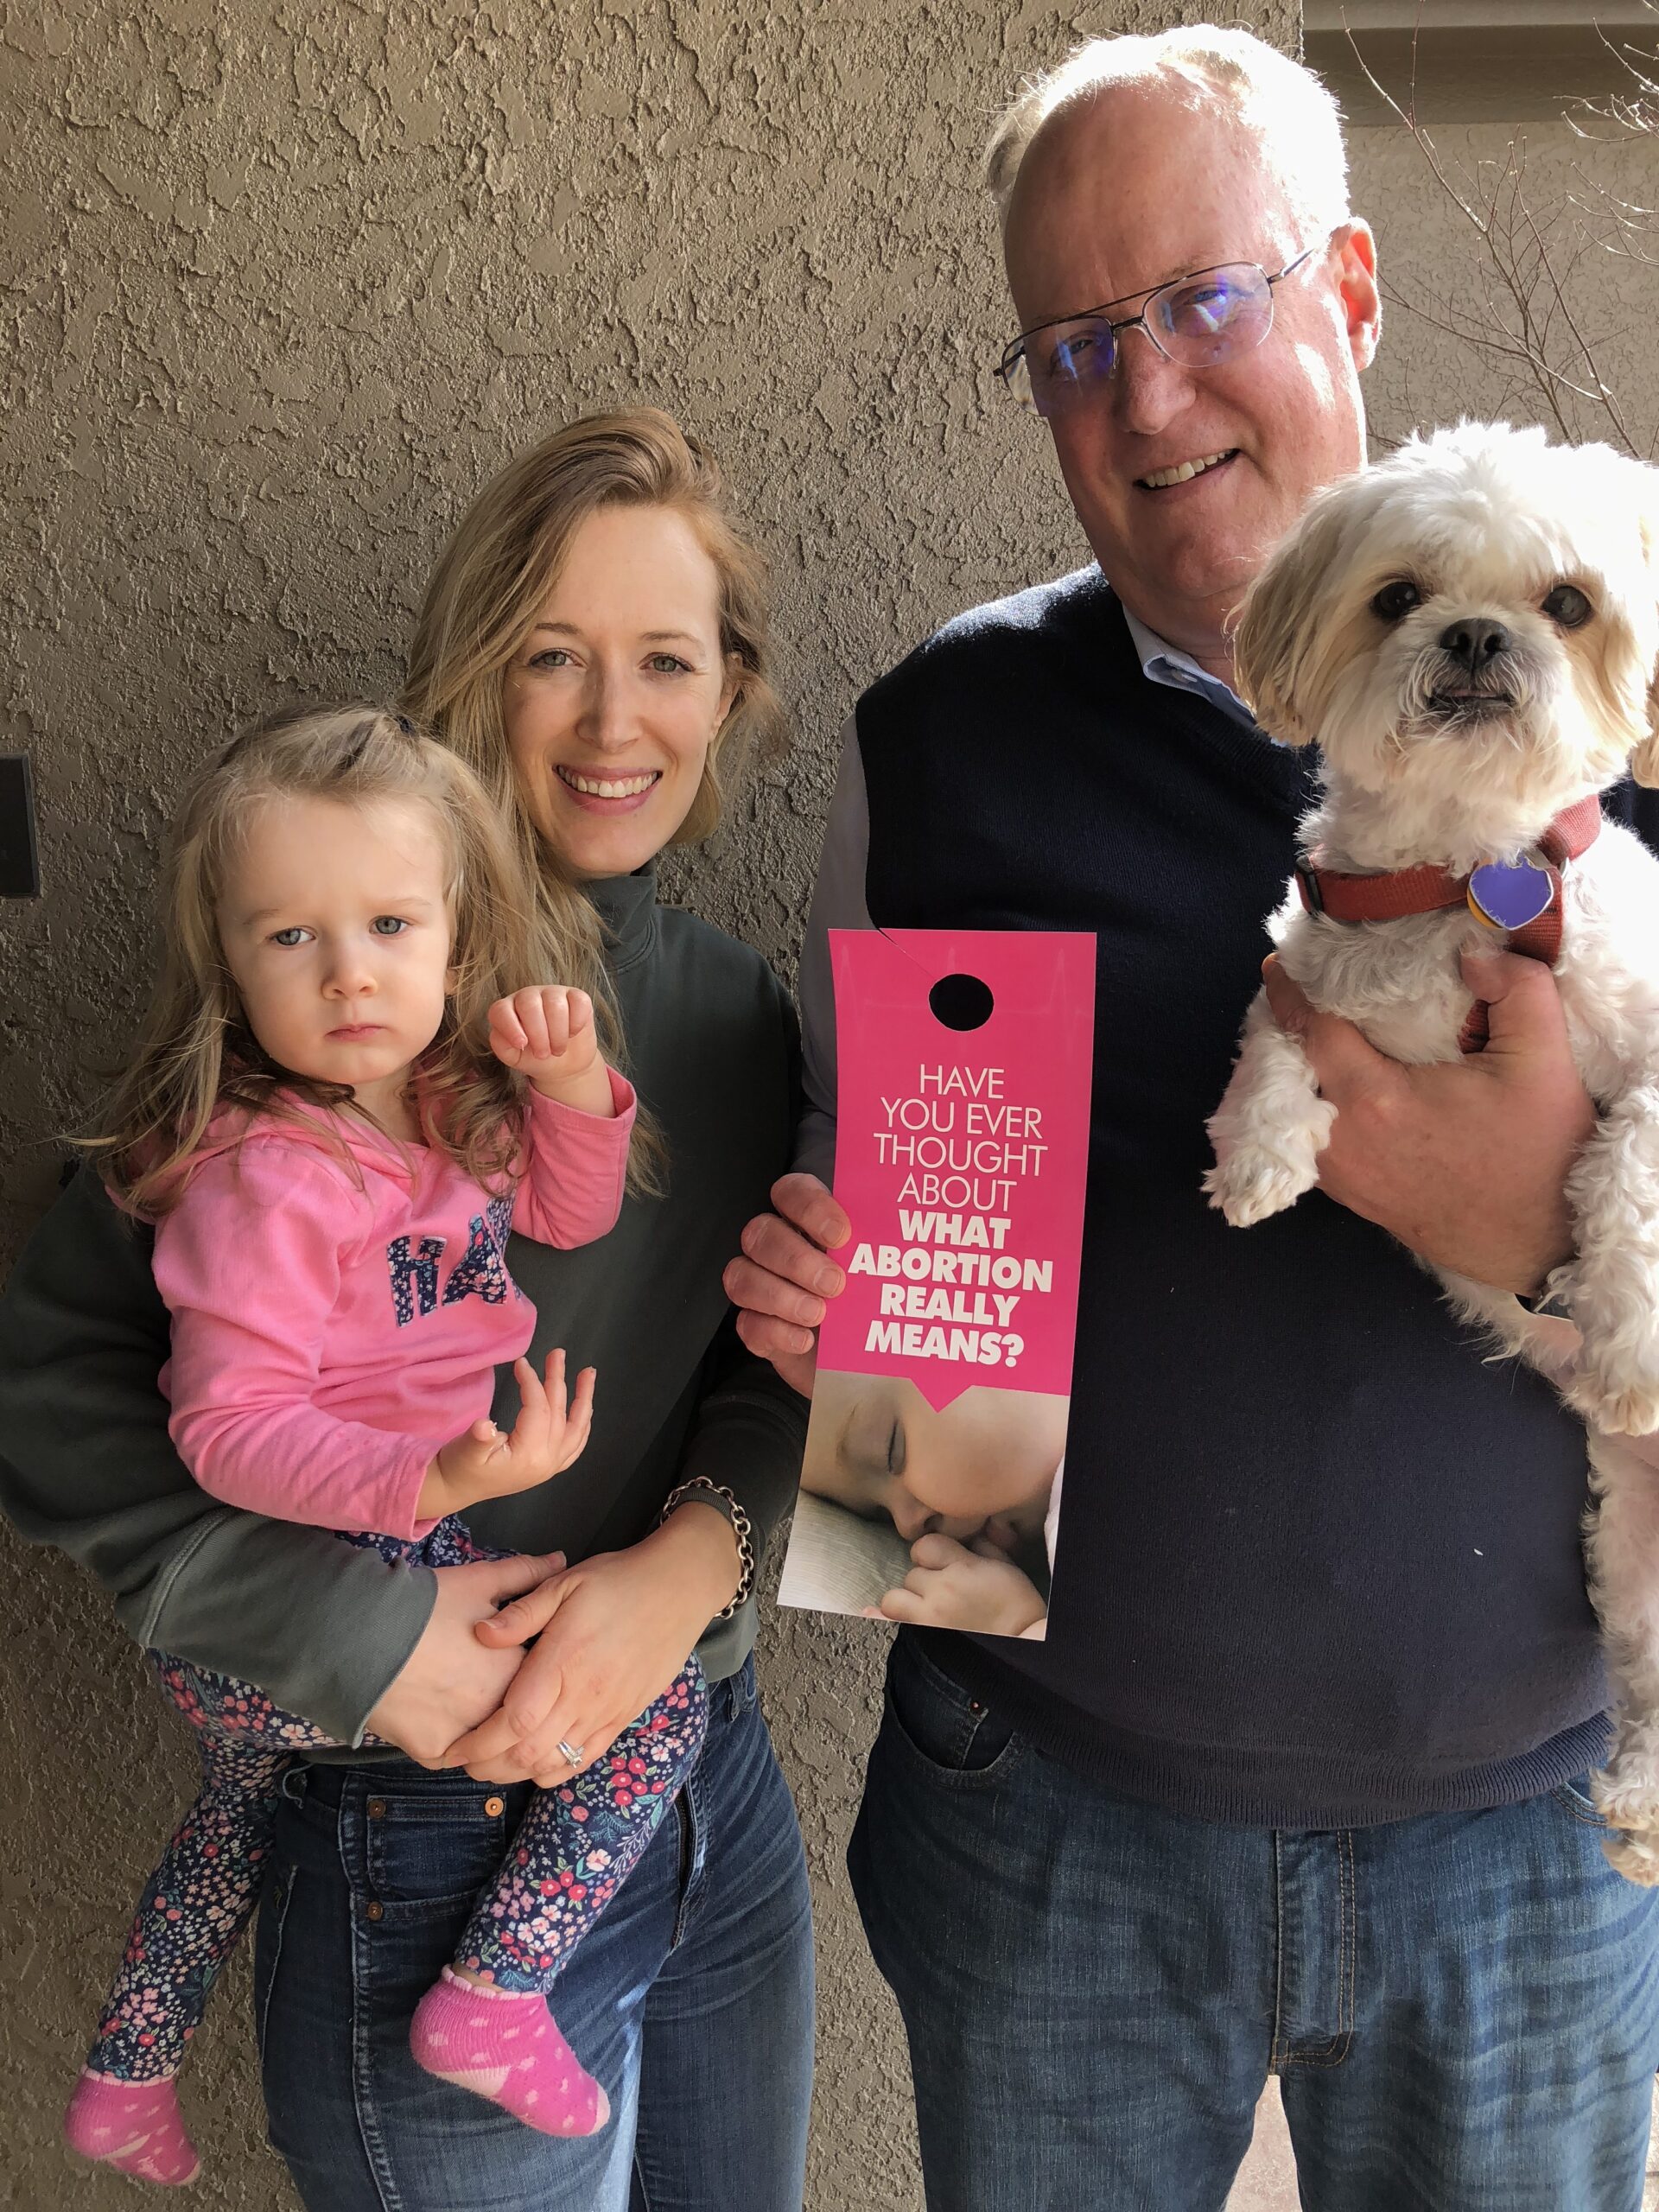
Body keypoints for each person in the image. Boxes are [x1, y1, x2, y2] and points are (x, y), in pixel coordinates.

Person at [726, 28, 1659, 2209]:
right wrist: (842, 1328)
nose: (1145, 398)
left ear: (1350, 288)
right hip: (1048, 1827)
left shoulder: (1613, 695)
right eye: (1074, 344)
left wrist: (1540, 1230)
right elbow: (892, 1248)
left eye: (1203, 300)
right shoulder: (941, 736)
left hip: (1526, 1843)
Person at [0, 411, 814, 2212]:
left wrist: (697, 1561)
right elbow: (52, 1388)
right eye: (551, 655)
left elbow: (763, 1373)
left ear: (732, 692)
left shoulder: (744, 1015)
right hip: (421, 1801)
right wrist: (346, 1628)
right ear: (469, 667)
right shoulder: (339, 992)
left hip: (708, 1787)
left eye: (666, 661)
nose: (612, 724)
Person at [64, 704, 677, 2185]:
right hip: (314, 1588)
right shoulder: (271, 1175)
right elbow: (223, 1428)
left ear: (458, 943)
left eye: (391, 925)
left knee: (235, 1813)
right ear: (231, 967)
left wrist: (572, 1086)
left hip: (321, 1601)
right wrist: (434, 1479)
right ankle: (497, 1991)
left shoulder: (443, 1116)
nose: (349, 973)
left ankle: (126, 2071)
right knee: (657, 1709)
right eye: (293, 938)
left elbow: (572, 1212)